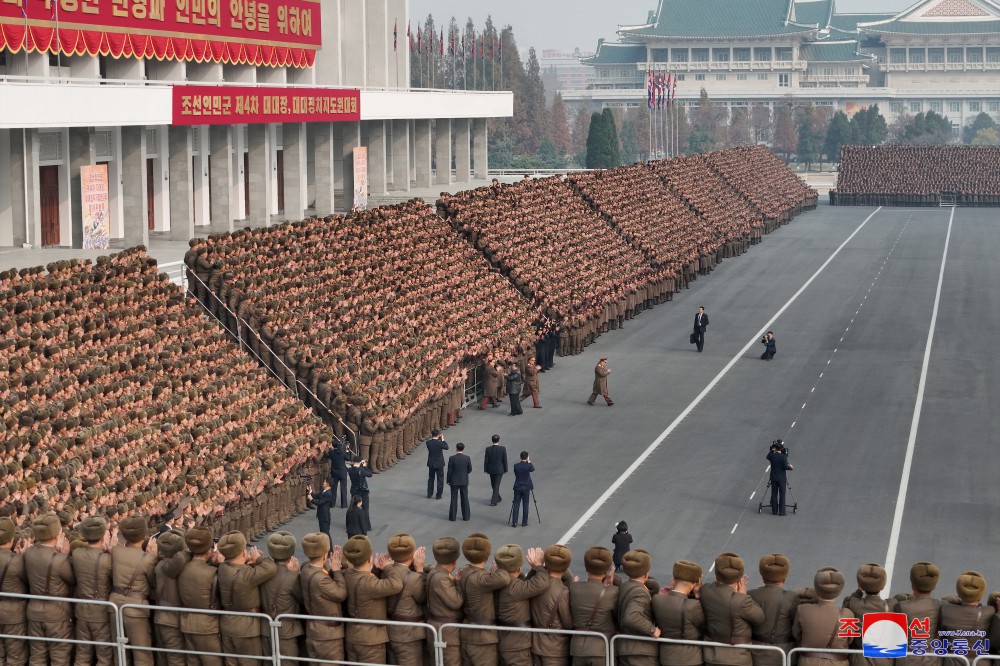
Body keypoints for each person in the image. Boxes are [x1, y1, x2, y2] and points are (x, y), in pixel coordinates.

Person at [748, 554, 799, 666]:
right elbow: (796, 628)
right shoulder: (792, 597)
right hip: (784, 654)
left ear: (763, 577)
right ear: (784, 578)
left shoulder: (751, 595)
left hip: (756, 653)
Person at [447, 442, 473, 521]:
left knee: (454, 499)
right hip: (464, 480)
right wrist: (465, 474)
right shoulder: (467, 458)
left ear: (456, 448)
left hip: (454, 481)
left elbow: (449, 470)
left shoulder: (452, 458)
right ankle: (466, 516)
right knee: (465, 498)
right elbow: (470, 469)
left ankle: (452, 517)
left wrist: (448, 480)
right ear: (463, 449)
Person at [766, 441, 792, 516]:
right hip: (782, 478)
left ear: (775, 448)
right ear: (782, 448)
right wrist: (791, 467)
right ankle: (781, 512)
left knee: (774, 494)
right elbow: (785, 467)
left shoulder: (772, 456)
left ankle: (774, 511)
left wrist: (772, 450)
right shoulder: (783, 457)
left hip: (773, 477)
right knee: (782, 494)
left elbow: (768, 456)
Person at [347, 458, 373, 532]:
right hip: (363, 491)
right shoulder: (362, 470)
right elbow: (370, 474)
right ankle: (367, 526)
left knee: (353, 507)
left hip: (354, 490)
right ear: (361, 462)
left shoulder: (350, 469)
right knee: (365, 508)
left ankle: (351, 524)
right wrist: (365, 466)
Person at [511, 451, 535, 527]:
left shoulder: (516, 466)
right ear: (527, 457)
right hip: (526, 487)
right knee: (525, 504)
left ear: (520, 457)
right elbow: (532, 469)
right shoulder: (528, 466)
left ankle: (514, 522)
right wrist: (529, 462)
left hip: (517, 487)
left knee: (516, 504)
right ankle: (524, 522)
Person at [484, 434, 508, 506]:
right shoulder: (502, 449)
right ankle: (498, 497)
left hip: (491, 469)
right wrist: (505, 469)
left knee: (495, 485)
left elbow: (486, 460)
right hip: (499, 469)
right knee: (494, 485)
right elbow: (504, 460)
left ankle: (493, 501)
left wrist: (485, 469)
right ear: (499, 440)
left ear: (492, 440)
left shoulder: (488, 449)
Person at [425, 429, 449, 500]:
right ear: (438, 435)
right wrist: (443, 439)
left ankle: (429, 493)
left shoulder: (428, 443)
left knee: (431, 479)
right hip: (439, 463)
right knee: (440, 480)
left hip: (431, 463)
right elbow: (446, 447)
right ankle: (438, 495)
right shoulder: (440, 443)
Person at [326, 439, 350, 508]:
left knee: (333, 488)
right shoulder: (343, 452)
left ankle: (332, 503)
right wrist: (347, 450)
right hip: (342, 472)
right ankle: (344, 504)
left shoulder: (332, 453)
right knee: (343, 488)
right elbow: (348, 458)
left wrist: (330, 448)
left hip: (334, 472)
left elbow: (328, 455)